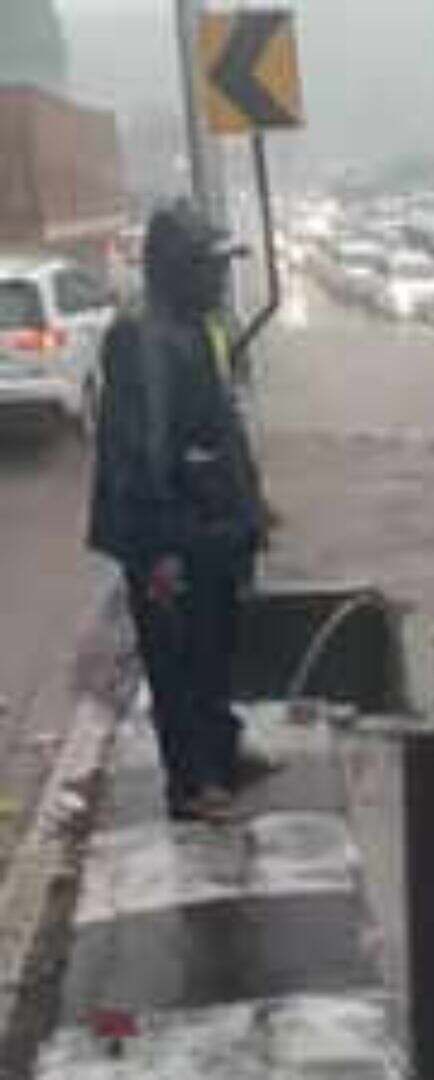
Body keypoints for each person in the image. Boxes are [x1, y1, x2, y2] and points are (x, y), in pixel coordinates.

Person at [87, 201, 275, 824]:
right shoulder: (139, 338)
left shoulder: (198, 327)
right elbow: (139, 458)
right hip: (169, 536)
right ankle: (193, 785)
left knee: (219, 648)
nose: (220, 279)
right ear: (174, 271)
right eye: (209, 267)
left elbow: (216, 430)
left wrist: (251, 506)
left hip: (212, 529)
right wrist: (162, 551)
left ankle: (222, 753)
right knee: (178, 662)